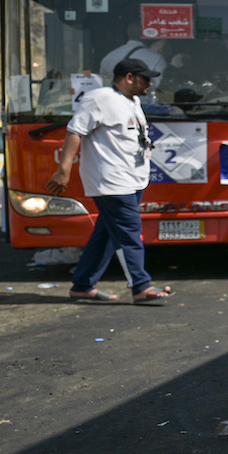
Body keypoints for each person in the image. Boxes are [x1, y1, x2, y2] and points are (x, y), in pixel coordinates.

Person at [46, 58, 173, 305]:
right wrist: (64, 169)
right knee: (129, 234)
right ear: (129, 77)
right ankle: (141, 285)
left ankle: (83, 285)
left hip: (133, 179)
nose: (150, 83)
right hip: (112, 181)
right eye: (145, 78)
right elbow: (75, 131)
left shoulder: (133, 101)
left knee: (105, 234)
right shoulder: (99, 98)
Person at [99, 23, 167, 92]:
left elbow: (103, 82)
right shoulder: (155, 58)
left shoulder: (109, 56)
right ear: (146, 35)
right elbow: (160, 87)